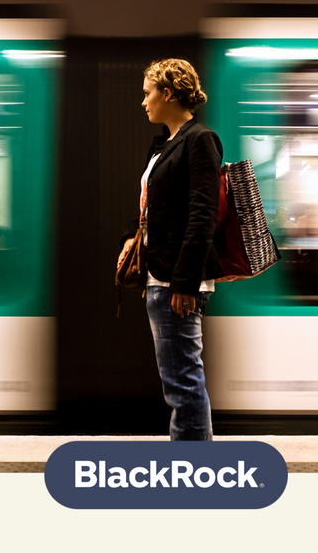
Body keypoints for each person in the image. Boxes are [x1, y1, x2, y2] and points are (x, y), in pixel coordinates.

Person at [117, 58, 223, 441]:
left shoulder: (200, 140)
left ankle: (195, 475)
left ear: (168, 92)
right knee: (178, 382)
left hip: (175, 281)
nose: (143, 102)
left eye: (147, 93)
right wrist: (132, 235)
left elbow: (202, 216)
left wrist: (184, 283)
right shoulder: (163, 144)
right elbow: (151, 208)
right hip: (159, 276)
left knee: (183, 383)